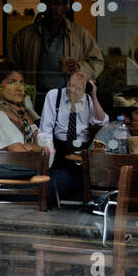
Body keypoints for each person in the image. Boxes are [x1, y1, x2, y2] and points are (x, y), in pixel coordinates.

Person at [9, 0, 103, 101]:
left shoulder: (80, 34)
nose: (52, 7)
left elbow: (97, 62)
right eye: (47, 3)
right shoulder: (25, 35)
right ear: (42, 7)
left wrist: (79, 66)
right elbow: (11, 67)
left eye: (57, 3)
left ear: (65, 8)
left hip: (68, 99)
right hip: (33, 99)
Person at [39, 71, 107, 201]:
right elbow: (45, 129)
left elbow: (102, 121)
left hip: (83, 151)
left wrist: (94, 96)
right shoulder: (54, 95)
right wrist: (49, 150)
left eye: (78, 87)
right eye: (70, 85)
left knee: (76, 178)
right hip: (60, 148)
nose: (72, 90)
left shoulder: (88, 99)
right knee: (59, 177)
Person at [0, 60, 52, 162]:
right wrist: (34, 147)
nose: (20, 88)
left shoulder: (23, 115)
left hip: (30, 174)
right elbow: (22, 157)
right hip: (6, 176)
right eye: (12, 82)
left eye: (21, 82)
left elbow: (47, 148)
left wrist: (29, 147)